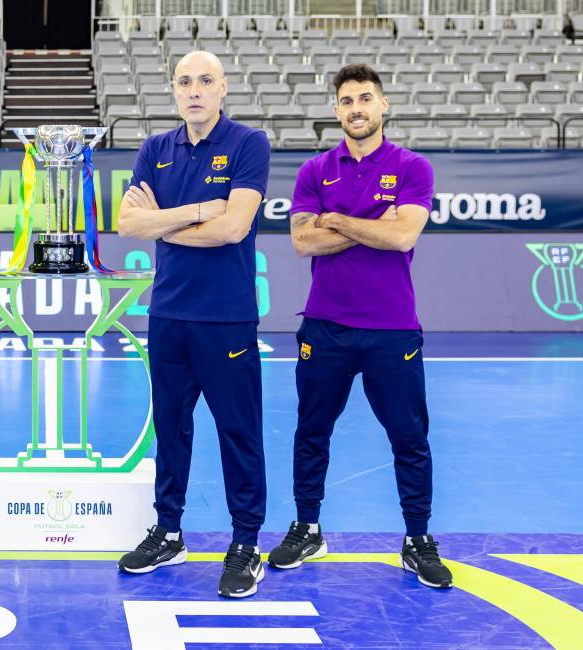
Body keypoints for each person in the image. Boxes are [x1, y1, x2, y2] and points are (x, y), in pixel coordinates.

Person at [269, 63, 452, 589]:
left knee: (409, 437)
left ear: (383, 105)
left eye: (366, 98)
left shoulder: (413, 167)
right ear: (336, 111)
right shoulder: (313, 171)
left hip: (392, 328)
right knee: (311, 432)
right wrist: (376, 220)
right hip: (325, 326)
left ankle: (417, 539)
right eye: (347, 101)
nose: (356, 109)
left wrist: (338, 219)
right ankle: (307, 528)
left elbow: (402, 239)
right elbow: (303, 241)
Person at [116, 51, 271, 598]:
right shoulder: (156, 148)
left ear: (223, 88)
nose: (195, 90)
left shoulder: (249, 144)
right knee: (172, 429)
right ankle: (169, 530)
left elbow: (234, 230)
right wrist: (201, 209)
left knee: (239, 431)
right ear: (175, 91)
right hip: (168, 317)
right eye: (185, 82)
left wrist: (165, 222)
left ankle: (246, 541)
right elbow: (127, 222)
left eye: (205, 81)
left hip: (225, 318)